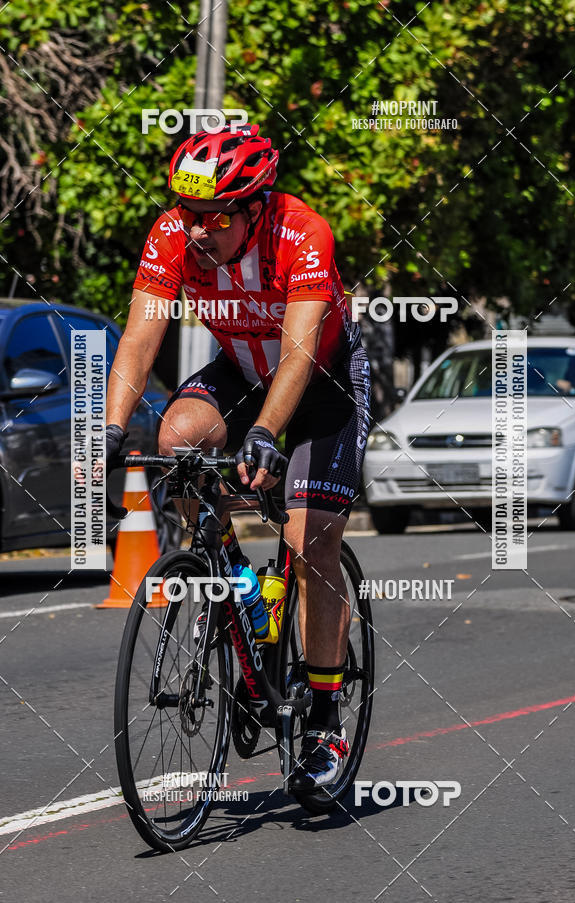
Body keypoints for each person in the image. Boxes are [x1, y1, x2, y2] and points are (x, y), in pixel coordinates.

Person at [105, 123, 371, 791]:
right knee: (177, 442)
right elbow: (139, 342)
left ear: (256, 207)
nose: (198, 230)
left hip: (319, 382)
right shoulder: (174, 234)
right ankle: (240, 588)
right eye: (189, 212)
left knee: (311, 539)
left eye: (216, 216)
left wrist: (265, 434)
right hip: (241, 370)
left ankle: (323, 721)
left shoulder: (302, 233)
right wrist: (109, 431)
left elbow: (301, 353)